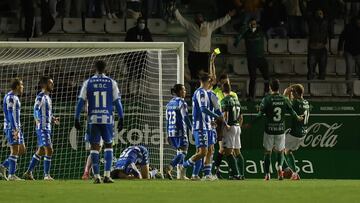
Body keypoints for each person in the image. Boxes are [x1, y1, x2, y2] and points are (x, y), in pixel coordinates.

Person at [74, 60, 124, 184]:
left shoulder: (88, 82)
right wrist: (122, 117)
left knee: (94, 148)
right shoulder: (111, 82)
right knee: (108, 145)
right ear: (106, 69)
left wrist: (76, 118)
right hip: (107, 118)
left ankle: (96, 176)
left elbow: (80, 101)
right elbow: (117, 102)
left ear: (94, 69)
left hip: (93, 119)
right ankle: (107, 175)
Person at [254, 79, 303, 181]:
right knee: (280, 151)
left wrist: (251, 122)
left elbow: (260, 114)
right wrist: (297, 117)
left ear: (270, 88)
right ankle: (280, 170)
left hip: (269, 130)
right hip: (280, 130)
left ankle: (267, 175)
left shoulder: (267, 99)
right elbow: (292, 111)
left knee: (268, 152)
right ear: (278, 87)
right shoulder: (284, 99)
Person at [181, 73, 224, 180]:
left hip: (208, 126)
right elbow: (203, 109)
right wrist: (217, 117)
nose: (211, 84)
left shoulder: (206, 93)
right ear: (207, 81)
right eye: (210, 82)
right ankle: (184, 166)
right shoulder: (200, 92)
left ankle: (207, 175)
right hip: (200, 126)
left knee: (210, 150)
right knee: (202, 152)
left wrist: (213, 120)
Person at [174, 8, 236, 80]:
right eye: (197, 16)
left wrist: (228, 16)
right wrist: (175, 10)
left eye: (200, 16)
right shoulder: (190, 26)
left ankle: (204, 90)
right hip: (193, 54)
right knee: (193, 75)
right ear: (194, 18)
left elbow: (219, 22)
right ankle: (194, 90)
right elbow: (180, 19)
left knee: (205, 76)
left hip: (204, 55)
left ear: (203, 18)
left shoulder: (209, 26)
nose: (198, 18)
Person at [23, 76, 60, 181]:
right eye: (50, 83)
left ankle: (28, 172)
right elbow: (35, 109)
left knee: (41, 151)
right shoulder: (41, 96)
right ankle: (46, 175)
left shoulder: (48, 98)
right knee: (49, 149)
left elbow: (48, 113)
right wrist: (37, 119)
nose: (52, 85)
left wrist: (53, 119)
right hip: (42, 127)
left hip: (47, 127)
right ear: (44, 85)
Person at [234, 18, 270, 101]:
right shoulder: (246, 33)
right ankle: (250, 96)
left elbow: (268, 35)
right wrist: (244, 29)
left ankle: (266, 93)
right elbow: (236, 42)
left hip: (261, 58)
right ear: (249, 25)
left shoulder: (261, 32)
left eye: (255, 24)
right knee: (253, 78)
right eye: (251, 24)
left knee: (267, 77)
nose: (253, 25)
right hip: (251, 59)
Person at [0, 78, 26, 181]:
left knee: (22, 149)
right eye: (21, 85)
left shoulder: (14, 97)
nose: (23, 87)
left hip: (16, 127)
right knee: (15, 150)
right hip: (12, 127)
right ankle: (11, 175)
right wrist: (15, 129)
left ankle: (3, 166)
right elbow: (10, 114)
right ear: (17, 86)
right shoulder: (11, 97)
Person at [164, 84, 192, 180]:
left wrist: (167, 134)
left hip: (171, 131)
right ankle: (170, 167)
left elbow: (167, 120)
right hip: (180, 131)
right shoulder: (181, 102)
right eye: (184, 90)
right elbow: (185, 117)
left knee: (180, 152)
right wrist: (192, 129)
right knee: (183, 152)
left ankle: (181, 175)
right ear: (180, 92)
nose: (185, 92)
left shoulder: (169, 104)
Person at [283, 84, 310, 180]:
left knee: (277, 148)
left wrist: (285, 93)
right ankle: (293, 172)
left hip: (295, 133)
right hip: (303, 132)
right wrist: (290, 94)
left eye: (293, 92)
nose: (292, 94)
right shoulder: (306, 102)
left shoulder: (295, 102)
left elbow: (284, 104)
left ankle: (289, 171)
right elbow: (292, 104)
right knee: (288, 151)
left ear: (295, 93)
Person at [220, 83, 244, 180]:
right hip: (238, 127)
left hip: (229, 127)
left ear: (222, 91)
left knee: (228, 152)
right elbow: (241, 117)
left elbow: (225, 116)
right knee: (237, 152)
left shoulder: (224, 101)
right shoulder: (237, 101)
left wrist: (225, 126)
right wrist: (239, 126)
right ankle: (241, 174)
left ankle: (236, 174)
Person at [338, 15, 360, 94]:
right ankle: (349, 89)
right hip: (349, 52)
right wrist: (340, 49)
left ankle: (358, 88)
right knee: (349, 70)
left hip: (359, 52)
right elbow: (341, 38)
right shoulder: (349, 27)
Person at [307, 9, 329, 80]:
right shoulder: (311, 22)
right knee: (311, 70)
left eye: (321, 13)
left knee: (322, 71)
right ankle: (310, 87)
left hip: (322, 49)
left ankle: (321, 87)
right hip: (312, 49)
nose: (319, 15)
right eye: (318, 13)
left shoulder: (325, 23)